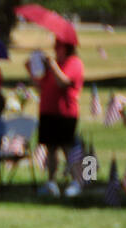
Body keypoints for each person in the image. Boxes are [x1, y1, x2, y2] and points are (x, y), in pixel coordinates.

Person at [28, 38, 85, 197]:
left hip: (65, 112)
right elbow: (41, 86)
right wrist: (33, 69)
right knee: (51, 149)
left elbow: (63, 82)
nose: (54, 49)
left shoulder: (74, 62)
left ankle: (76, 182)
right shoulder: (53, 65)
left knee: (67, 147)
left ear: (67, 47)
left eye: (58, 46)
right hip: (48, 111)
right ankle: (51, 182)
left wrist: (52, 65)